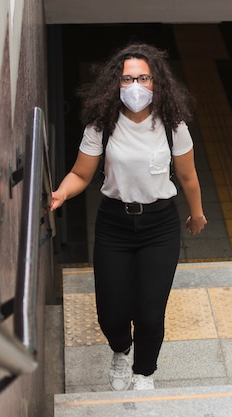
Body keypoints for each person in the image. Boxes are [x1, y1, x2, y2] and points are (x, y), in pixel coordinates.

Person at [50, 43, 207, 391]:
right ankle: (121, 349)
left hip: (160, 225)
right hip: (114, 225)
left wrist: (196, 215)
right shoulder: (101, 125)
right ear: (115, 84)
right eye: (127, 78)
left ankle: (144, 372)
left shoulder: (172, 125)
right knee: (111, 313)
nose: (135, 86)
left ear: (156, 82)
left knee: (150, 313)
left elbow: (188, 177)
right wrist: (61, 193)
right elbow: (80, 174)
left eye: (143, 77)